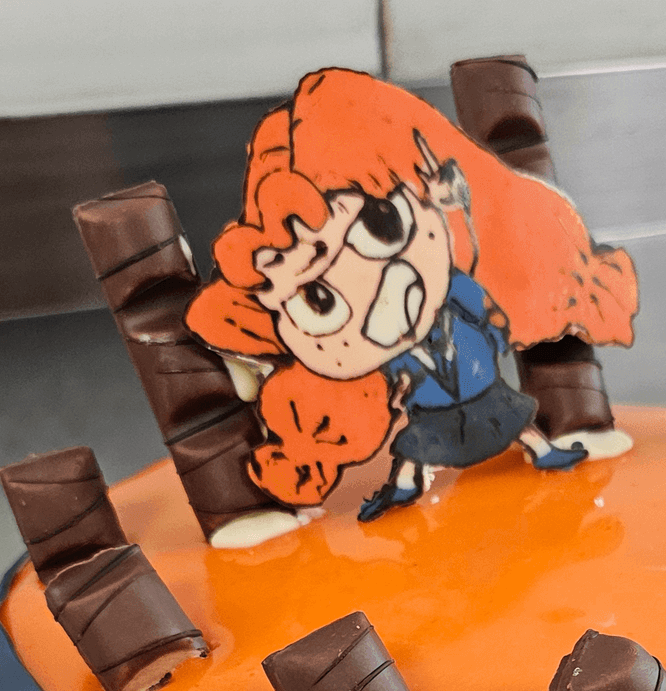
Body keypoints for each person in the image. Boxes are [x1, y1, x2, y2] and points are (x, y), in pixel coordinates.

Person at [186, 68, 638, 529]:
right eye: (318, 298)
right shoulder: (393, 358)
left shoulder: (455, 294)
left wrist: (497, 330)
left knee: (512, 417)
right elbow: (396, 382)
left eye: (383, 224)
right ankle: (403, 484)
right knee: (417, 446)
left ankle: (545, 451)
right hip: (435, 409)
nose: (385, 292)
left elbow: (484, 309)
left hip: (481, 389)